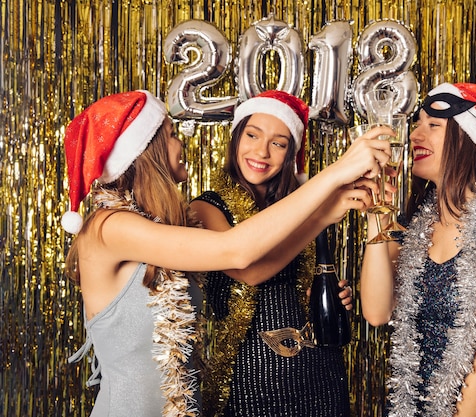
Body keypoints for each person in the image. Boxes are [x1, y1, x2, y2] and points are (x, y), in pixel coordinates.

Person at [62, 90, 391, 417]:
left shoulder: (157, 228)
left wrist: (324, 217)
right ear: (147, 148)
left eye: (278, 142)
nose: (182, 144)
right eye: (173, 136)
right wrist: (336, 174)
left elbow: (249, 260)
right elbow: (238, 253)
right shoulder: (110, 227)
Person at [359, 83, 476, 416]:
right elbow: (376, 312)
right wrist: (377, 213)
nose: (415, 135)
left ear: (467, 139)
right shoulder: (417, 223)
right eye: (417, 123)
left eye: (433, 126)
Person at [189, 90, 370, 417]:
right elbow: (249, 271)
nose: (261, 151)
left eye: (278, 143)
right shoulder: (205, 207)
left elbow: (303, 278)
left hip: (320, 372)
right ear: (236, 138)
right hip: (253, 375)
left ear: (290, 154)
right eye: (252, 135)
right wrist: (320, 217)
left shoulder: (298, 206)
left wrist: (328, 295)